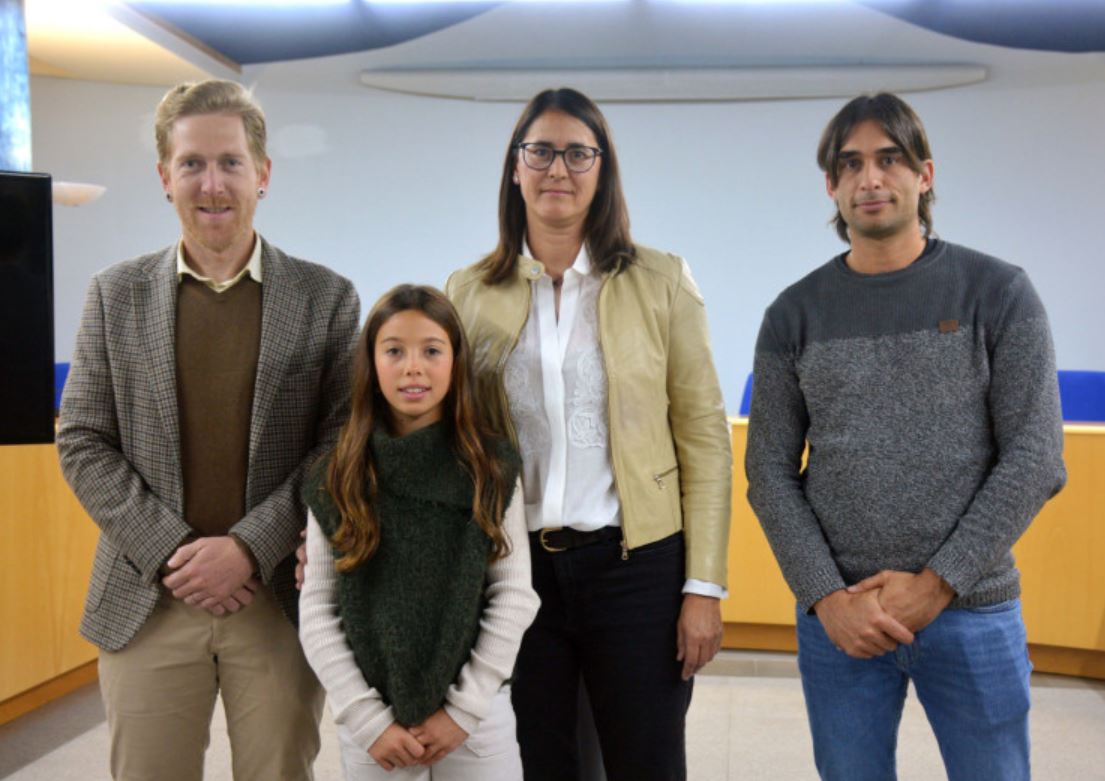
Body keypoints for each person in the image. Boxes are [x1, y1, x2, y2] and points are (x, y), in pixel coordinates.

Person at [745, 92, 1067, 781]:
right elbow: (767, 472)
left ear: (924, 174)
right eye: (850, 163)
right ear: (830, 186)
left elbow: (1036, 456)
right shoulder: (791, 314)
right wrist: (826, 597)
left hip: (972, 610)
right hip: (841, 621)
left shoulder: (998, 292)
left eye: (889, 159)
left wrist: (936, 584)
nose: (870, 178)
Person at [57, 79, 359, 780]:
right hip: (149, 593)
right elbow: (82, 439)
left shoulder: (327, 297)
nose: (212, 183)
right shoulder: (114, 293)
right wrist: (176, 551)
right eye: (191, 163)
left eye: (230, 162)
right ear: (165, 176)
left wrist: (249, 548)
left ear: (263, 173)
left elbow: (340, 444)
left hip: (276, 595)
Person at [445, 87, 732, 781]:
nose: (558, 169)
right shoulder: (468, 292)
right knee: (547, 763)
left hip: (637, 568)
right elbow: (450, 444)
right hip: (520, 573)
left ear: (602, 170)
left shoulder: (661, 281)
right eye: (540, 151)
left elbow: (703, 438)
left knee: (647, 763)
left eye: (578, 153)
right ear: (515, 168)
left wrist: (704, 587)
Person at [298, 284, 539, 781]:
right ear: (371, 364)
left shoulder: (491, 468)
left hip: (477, 721)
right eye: (394, 351)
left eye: (431, 351)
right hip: (372, 726)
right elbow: (318, 610)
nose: (413, 368)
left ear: (456, 362)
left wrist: (463, 710)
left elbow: (514, 595)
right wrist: (366, 719)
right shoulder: (335, 475)